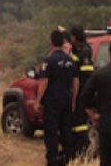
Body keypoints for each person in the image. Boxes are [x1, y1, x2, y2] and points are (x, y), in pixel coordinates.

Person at [34, 29, 79, 166]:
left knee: (51, 130)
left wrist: (37, 102)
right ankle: (67, 156)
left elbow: (44, 82)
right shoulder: (70, 61)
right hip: (66, 100)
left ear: (51, 43)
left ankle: (53, 158)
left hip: (53, 101)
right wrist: (73, 100)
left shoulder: (49, 61)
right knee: (66, 129)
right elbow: (75, 82)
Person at [69, 24, 94, 156]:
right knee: (81, 122)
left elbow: (73, 69)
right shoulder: (87, 48)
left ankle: (80, 147)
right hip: (86, 90)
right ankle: (80, 147)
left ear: (74, 37)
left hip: (79, 90)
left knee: (78, 122)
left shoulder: (78, 51)